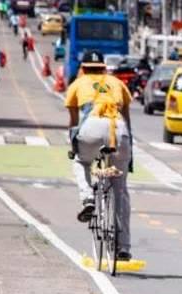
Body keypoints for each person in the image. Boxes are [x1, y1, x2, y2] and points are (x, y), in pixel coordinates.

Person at [65, 50, 135, 259]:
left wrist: (73, 145)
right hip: (118, 130)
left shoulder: (78, 84)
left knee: (81, 162)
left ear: (83, 68)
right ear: (104, 67)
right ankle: (123, 247)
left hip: (91, 128)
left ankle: (87, 199)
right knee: (120, 188)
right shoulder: (116, 83)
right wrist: (127, 148)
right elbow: (127, 119)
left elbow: (73, 122)